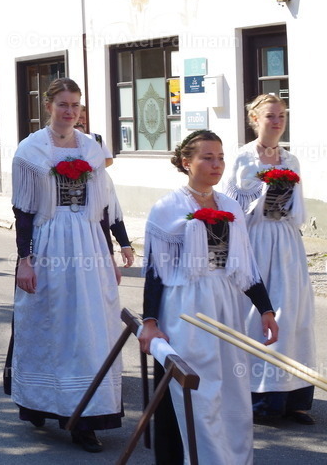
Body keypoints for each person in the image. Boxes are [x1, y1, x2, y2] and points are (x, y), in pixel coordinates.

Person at [4, 78, 132, 453]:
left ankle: (86, 417)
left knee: (91, 327)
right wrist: (24, 261)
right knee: (50, 324)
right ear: (48, 106)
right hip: (49, 243)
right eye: (63, 104)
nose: (70, 111)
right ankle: (42, 400)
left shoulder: (93, 150)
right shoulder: (30, 152)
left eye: (76, 104)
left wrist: (115, 251)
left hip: (89, 245)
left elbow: (105, 206)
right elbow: (23, 212)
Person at [139, 129, 279, 465]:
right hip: (186, 309)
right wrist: (150, 322)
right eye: (207, 157)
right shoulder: (166, 208)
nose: (216, 165)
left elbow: (245, 265)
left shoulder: (230, 206)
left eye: (220, 158)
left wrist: (266, 310)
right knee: (198, 390)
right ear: (187, 162)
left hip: (225, 306)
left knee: (231, 391)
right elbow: (155, 273)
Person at [222, 94, 314, 425]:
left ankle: (295, 398)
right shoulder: (243, 159)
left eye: (281, 116)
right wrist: (263, 196)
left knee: (295, 316)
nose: (276, 122)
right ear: (254, 119)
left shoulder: (291, 159)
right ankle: (261, 400)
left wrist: (283, 201)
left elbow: (298, 209)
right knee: (260, 315)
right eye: (270, 116)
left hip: (286, 240)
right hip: (257, 240)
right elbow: (230, 209)